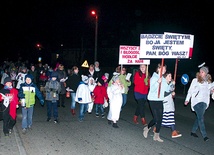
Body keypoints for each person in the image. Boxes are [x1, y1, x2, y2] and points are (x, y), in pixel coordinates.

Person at [184, 65, 214, 142]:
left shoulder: (209, 83)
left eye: (202, 72)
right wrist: (187, 99)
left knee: (199, 117)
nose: (200, 73)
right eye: (200, 71)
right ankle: (204, 135)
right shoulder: (195, 80)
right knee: (201, 118)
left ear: (206, 73)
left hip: (204, 102)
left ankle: (193, 131)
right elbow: (190, 91)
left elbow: (211, 93)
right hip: (196, 102)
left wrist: (212, 91)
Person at [143, 63, 170, 142]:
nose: (164, 70)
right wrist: (158, 82)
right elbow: (152, 89)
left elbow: (166, 90)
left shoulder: (164, 79)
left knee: (160, 119)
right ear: (158, 69)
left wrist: (170, 85)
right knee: (156, 118)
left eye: (165, 69)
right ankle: (147, 128)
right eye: (162, 68)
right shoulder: (154, 77)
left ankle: (156, 135)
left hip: (160, 100)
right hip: (153, 100)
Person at [162, 71, 182, 138]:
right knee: (170, 118)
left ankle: (156, 127)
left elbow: (171, 93)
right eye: (169, 76)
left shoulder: (170, 84)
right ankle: (173, 132)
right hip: (166, 103)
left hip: (170, 103)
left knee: (164, 119)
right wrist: (172, 86)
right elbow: (165, 93)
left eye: (171, 76)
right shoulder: (164, 84)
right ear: (165, 77)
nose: (170, 77)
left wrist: (173, 94)